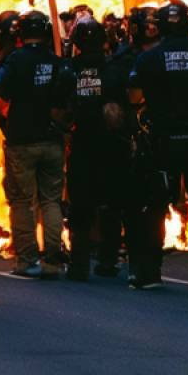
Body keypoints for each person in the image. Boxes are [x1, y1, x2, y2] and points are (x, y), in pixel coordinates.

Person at [126, 2, 188, 292]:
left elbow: (133, 97)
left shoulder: (149, 59)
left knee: (156, 207)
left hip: (162, 142)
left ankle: (151, 272)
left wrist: (144, 116)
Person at [0, 10, 66, 279]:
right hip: (51, 141)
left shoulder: (15, 61)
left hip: (21, 142)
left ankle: (28, 260)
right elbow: (66, 103)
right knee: (51, 200)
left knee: (21, 202)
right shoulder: (56, 62)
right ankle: (53, 260)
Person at [61, 17, 128, 281]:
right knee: (111, 204)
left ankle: (78, 265)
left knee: (80, 206)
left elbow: (58, 110)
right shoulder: (115, 70)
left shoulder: (69, 71)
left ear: (76, 42)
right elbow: (126, 106)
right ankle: (108, 261)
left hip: (82, 145)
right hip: (112, 145)